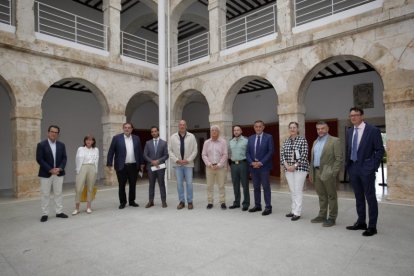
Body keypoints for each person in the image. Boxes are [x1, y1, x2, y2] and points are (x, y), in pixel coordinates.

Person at [345, 107, 384, 236]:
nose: (353, 117)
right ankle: (361, 222)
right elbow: (348, 149)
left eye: (356, 115)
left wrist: (372, 166)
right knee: (358, 197)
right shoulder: (350, 131)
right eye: (351, 115)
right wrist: (348, 166)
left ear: (362, 116)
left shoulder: (372, 130)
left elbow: (379, 150)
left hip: (366, 168)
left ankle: (372, 226)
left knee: (370, 197)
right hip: (353, 168)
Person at [309, 121, 343, 227]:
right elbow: (312, 159)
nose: (320, 131)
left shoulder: (335, 141)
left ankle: (332, 218)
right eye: (318, 129)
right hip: (316, 171)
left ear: (327, 129)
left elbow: (339, 159)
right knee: (322, 196)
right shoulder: (315, 142)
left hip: (328, 172)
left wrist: (333, 173)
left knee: (331, 196)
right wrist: (311, 173)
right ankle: (322, 215)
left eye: (322, 128)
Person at [107, 122, 144, 209]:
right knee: (121, 185)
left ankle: (132, 201)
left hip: (133, 166)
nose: (127, 129)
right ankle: (122, 202)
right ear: (123, 129)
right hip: (121, 166)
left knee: (133, 184)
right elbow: (111, 151)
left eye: (129, 128)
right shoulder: (116, 138)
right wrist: (109, 163)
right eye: (125, 127)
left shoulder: (136, 138)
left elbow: (139, 151)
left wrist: (142, 163)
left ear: (131, 129)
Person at [36, 125, 68, 222]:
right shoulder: (41, 145)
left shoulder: (61, 145)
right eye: (52, 131)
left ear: (58, 134)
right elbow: (39, 159)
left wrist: (60, 168)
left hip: (58, 173)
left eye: (56, 132)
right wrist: (50, 169)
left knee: (58, 193)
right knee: (45, 194)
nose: (54, 133)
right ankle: (45, 214)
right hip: (46, 173)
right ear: (48, 132)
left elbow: (64, 158)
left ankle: (59, 212)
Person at [280, 122, 309, 221]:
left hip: (300, 169)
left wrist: (295, 166)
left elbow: (304, 155)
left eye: (294, 127)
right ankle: (293, 210)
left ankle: (297, 212)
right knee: (292, 190)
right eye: (291, 128)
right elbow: (282, 154)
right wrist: (287, 165)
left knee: (298, 190)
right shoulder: (286, 141)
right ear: (289, 129)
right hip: (288, 169)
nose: (292, 129)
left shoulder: (302, 140)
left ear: (297, 129)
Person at [247, 120, 274, 216]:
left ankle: (268, 207)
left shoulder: (268, 137)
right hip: (253, 167)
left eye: (260, 126)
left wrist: (261, 162)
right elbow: (247, 153)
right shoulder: (250, 138)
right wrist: (252, 162)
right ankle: (257, 205)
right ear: (254, 127)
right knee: (256, 187)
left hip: (264, 167)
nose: (258, 128)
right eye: (256, 126)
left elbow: (270, 151)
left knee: (266, 187)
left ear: (263, 127)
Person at [169, 120, 198, 210]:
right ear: (178, 126)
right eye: (180, 125)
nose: (182, 126)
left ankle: (190, 201)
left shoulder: (191, 136)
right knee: (179, 184)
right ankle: (181, 201)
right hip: (178, 165)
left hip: (188, 164)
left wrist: (188, 160)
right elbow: (169, 151)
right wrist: (177, 160)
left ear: (186, 126)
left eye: (183, 125)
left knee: (189, 183)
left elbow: (195, 150)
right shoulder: (173, 137)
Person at [202, 125, 228, 210]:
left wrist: (219, 164)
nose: (213, 132)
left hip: (220, 167)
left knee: (221, 185)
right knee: (209, 186)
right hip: (209, 167)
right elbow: (204, 155)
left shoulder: (223, 142)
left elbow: (225, 154)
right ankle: (210, 202)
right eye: (212, 130)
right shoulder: (206, 142)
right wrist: (209, 164)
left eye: (215, 130)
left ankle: (222, 202)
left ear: (218, 132)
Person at [72, 135, 99, 215]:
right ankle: (77, 208)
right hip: (82, 167)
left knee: (90, 188)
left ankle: (88, 207)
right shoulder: (80, 149)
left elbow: (96, 160)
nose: (89, 141)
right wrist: (78, 170)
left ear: (93, 141)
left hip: (92, 167)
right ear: (85, 141)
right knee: (79, 188)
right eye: (87, 140)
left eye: (91, 140)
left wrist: (95, 170)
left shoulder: (96, 149)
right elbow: (77, 159)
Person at [143, 126, 169, 208]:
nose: (154, 133)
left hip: (160, 167)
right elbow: (145, 155)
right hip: (151, 167)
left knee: (161, 184)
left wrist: (158, 161)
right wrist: (152, 161)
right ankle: (151, 201)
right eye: (152, 132)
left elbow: (166, 155)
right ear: (151, 133)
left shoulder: (164, 143)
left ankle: (164, 201)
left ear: (158, 132)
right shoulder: (148, 143)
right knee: (151, 185)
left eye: (155, 131)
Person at [228, 125, 250, 211]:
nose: (236, 132)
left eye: (238, 130)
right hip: (234, 165)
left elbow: (249, 153)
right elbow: (229, 154)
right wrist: (230, 165)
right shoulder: (231, 141)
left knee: (245, 185)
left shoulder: (246, 140)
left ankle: (246, 203)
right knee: (235, 185)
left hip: (243, 164)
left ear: (241, 131)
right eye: (234, 130)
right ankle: (236, 202)